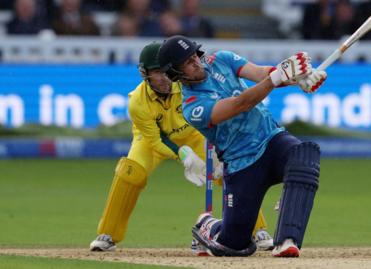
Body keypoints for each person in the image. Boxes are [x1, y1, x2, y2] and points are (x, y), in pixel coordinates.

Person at [89, 42, 275, 253]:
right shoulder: (137, 103)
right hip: (151, 141)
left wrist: (218, 147)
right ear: (145, 74)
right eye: (157, 72)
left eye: (166, 71)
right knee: (130, 172)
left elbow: (213, 107)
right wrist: (183, 155)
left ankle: (256, 229)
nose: (164, 77)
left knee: (227, 170)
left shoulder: (186, 83)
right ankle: (108, 234)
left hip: (193, 134)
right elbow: (156, 139)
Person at [155, 35, 327, 257]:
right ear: (175, 74)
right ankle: (209, 225)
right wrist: (276, 78)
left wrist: (299, 78)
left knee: (304, 155)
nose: (196, 62)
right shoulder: (192, 107)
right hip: (242, 164)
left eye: (194, 56)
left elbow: (263, 74)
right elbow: (241, 104)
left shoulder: (221, 59)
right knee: (233, 244)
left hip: (271, 139)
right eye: (187, 63)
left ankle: (287, 240)